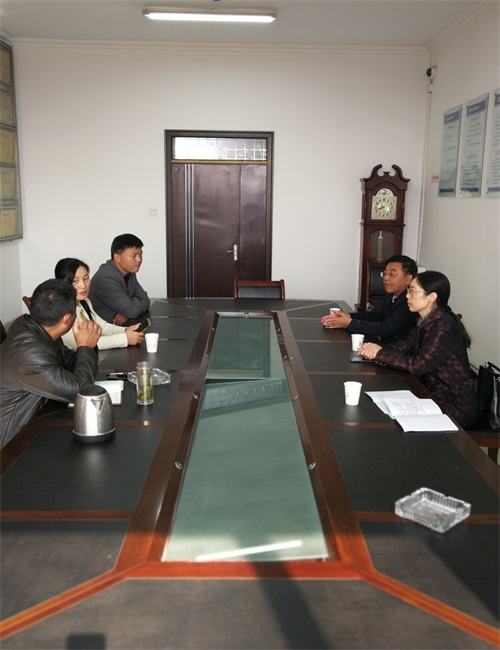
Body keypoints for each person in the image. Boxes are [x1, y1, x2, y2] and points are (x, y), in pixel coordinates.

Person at [358, 271, 479, 428]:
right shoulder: (427, 320)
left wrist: (380, 353)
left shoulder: (444, 326)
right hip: (433, 393)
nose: (407, 296)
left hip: (454, 404)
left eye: (413, 291)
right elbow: (406, 346)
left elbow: (419, 365)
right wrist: (374, 348)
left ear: (432, 297)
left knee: (389, 421)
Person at [0, 279, 101, 448]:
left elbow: (70, 363)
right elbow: (80, 391)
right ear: (67, 319)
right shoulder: (30, 353)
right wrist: (85, 347)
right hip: (13, 446)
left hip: (40, 420)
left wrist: (86, 347)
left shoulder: (34, 327)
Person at [321, 254, 418, 344]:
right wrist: (348, 316)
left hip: (398, 353)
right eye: (384, 273)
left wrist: (349, 323)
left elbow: (385, 328)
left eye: (392, 274)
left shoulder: (410, 303)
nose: (385, 278)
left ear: (408, 279)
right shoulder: (391, 296)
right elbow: (374, 315)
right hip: (385, 348)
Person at [55, 258, 145, 350]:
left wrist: (125, 330)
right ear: (62, 283)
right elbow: (81, 343)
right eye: (75, 281)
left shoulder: (84, 302)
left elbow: (101, 326)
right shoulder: (60, 310)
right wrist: (125, 338)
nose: (83, 285)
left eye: (86, 278)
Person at [89, 233, 150, 325]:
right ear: (117, 257)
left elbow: (145, 299)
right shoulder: (106, 277)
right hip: (100, 329)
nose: (139, 259)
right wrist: (128, 309)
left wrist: (126, 310)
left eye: (140, 253)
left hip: (119, 325)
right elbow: (132, 311)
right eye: (133, 255)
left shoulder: (129, 272)